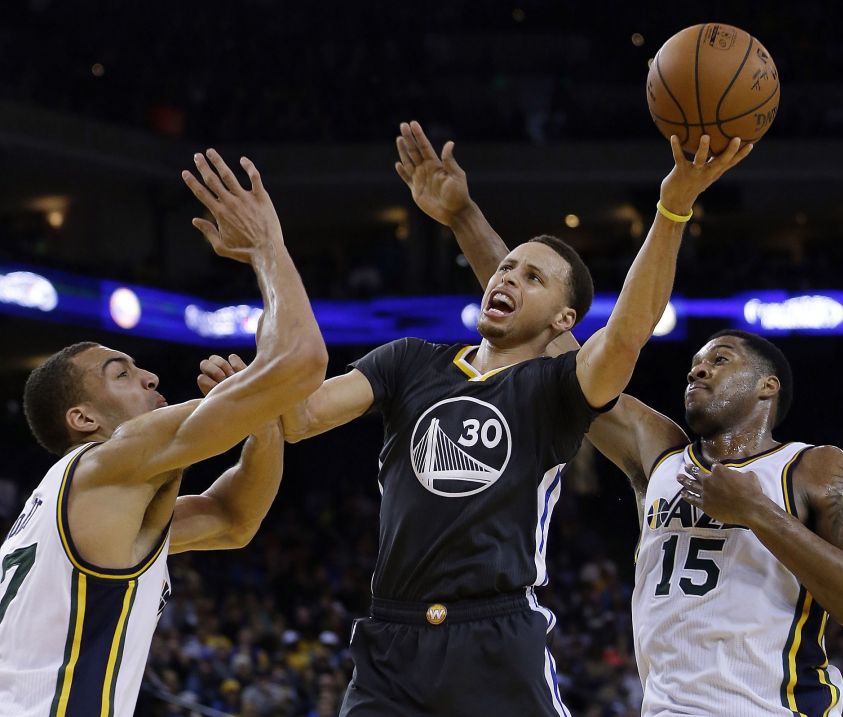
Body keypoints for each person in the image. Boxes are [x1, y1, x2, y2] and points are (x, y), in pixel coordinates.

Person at [202, 121, 751, 716]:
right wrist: (267, 256)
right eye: (506, 268)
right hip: (392, 642)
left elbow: (626, 334)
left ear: (563, 321)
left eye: (532, 277)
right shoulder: (408, 360)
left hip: (496, 639)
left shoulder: (555, 388)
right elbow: (301, 416)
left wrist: (672, 209)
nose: (507, 277)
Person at [434, 128, 843, 715]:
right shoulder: (659, 453)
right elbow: (548, 340)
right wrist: (462, 215)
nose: (697, 372)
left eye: (719, 361)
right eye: (694, 364)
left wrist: (756, 511)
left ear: (769, 387)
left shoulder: (814, 467)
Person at [0, 149, 328, 717]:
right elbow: (302, 359)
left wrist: (262, 421)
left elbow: (232, 521)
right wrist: (266, 248)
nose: (149, 374)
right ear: (84, 419)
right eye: (121, 373)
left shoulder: (85, 507)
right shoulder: (109, 461)